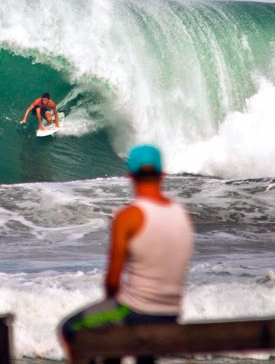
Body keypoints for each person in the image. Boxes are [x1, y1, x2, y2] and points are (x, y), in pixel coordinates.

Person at [59, 145, 194, 364]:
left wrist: (113, 307)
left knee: (69, 328)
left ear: (130, 175)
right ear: (162, 175)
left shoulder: (128, 217)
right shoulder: (181, 215)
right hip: (170, 315)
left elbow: (112, 281)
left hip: (135, 312)